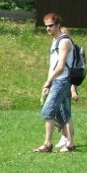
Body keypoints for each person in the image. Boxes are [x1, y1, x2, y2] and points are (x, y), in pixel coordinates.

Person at [33, 12, 76, 153]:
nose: (48, 29)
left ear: (58, 25)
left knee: (48, 111)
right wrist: (49, 83)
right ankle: (70, 144)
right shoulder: (55, 41)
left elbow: (61, 65)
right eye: (46, 26)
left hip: (62, 80)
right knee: (65, 113)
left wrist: (48, 81)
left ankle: (47, 144)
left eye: (51, 26)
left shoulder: (64, 41)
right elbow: (53, 66)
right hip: (57, 80)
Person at [54, 27, 79, 149]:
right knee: (59, 112)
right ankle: (65, 136)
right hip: (59, 82)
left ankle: (68, 138)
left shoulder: (70, 51)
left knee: (63, 112)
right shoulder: (58, 49)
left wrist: (73, 90)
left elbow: (73, 72)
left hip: (65, 83)